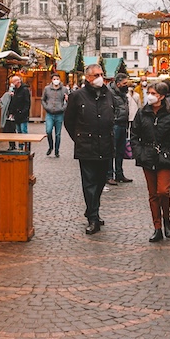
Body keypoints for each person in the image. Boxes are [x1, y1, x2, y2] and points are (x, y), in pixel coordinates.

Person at [64, 64, 116, 233]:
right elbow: (69, 121)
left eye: (101, 74)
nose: (100, 78)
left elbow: (114, 113)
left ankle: (93, 209)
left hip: (105, 145)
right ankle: (93, 218)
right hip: (86, 146)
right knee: (89, 183)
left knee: (100, 182)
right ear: (88, 77)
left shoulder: (108, 94)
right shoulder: (77, 96)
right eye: (96, 75)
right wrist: (79, 138)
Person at [134, 80, 170, 241]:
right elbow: (134, 135)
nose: (150, 96)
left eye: (153, 93)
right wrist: (139, 153)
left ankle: (166, 217)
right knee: (153, 194)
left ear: (162, 96)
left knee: (163, 191)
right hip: (147, 155)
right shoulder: (142, 112)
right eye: (149, 93)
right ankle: (157, 227)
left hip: (165, 155)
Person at [108, 75, 134, 185]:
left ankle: (119, 174)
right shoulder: (110, 93)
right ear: (118, 83)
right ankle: (109, 175)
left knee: (120, 150)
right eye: (124, 83)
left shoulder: (123, 93)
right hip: (115, 124)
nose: (126, 85)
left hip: (123, 123)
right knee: (111, 150)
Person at [41, 73, 69, 157]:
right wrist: (46, 107)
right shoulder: (47, 89)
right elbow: (43, 99)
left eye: (57, 79)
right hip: (49, 113)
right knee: (48, 131)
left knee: (58, 134)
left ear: (60, 80)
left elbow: (68, 100)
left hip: (59, 114)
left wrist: (63, 108)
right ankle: (51, 146)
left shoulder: (64, 89)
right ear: (51, 80)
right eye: (54, 79)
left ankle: (57, 151)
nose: (56, 80)